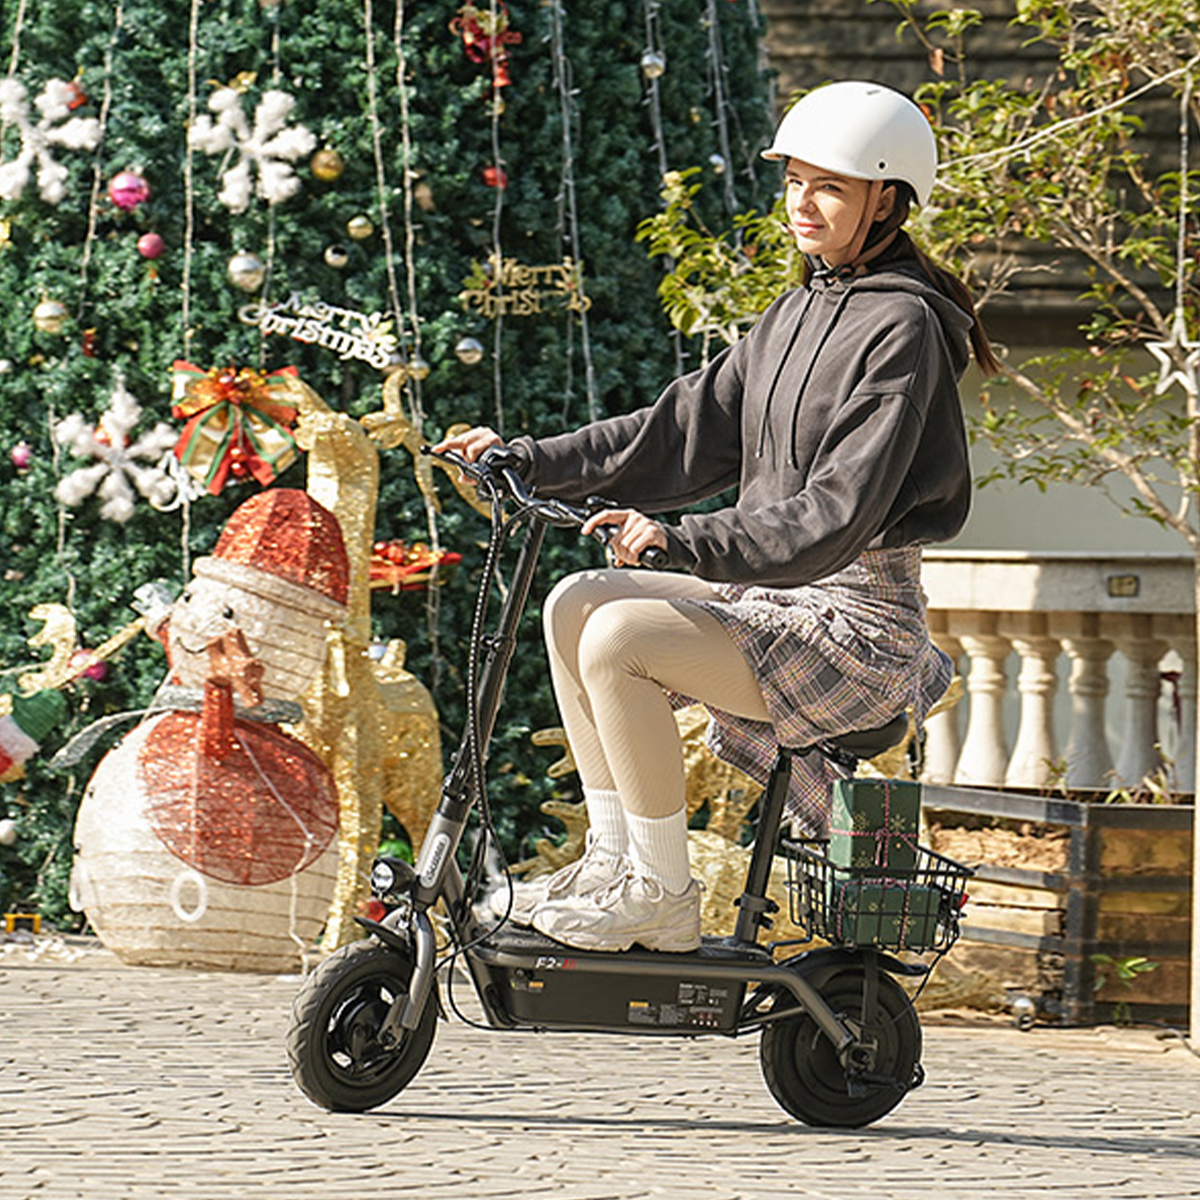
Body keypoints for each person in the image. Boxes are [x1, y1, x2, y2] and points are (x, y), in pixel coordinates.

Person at [434, 80, 999, 956]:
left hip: (855, 624)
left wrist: (685, 540)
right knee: (577, 601)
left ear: (887, 201)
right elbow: (679, 432)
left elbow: (835, 515)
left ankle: (661, 893)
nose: (802, 203)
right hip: (772, 596)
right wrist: (528, 457)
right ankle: (615, 864)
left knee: (621, 636)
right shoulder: (797, 310)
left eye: (830, 187)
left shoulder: (904, 329)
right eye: (794, 182)